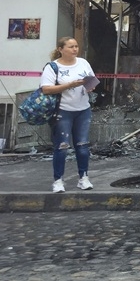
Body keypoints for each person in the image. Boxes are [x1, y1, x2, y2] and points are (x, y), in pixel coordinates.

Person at [40, 37, 98, 193]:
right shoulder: (53, 67)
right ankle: (58, 180)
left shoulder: (83, 63)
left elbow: (92, 81)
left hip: (83, 110)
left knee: (83, 146)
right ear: (61, 49)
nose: (75, 49)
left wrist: (89, 87)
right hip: (63, 111)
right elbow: (46, 89)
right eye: (71, 46)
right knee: (62, 147)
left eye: (76, 46)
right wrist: (70, 85)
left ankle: (83, 178)